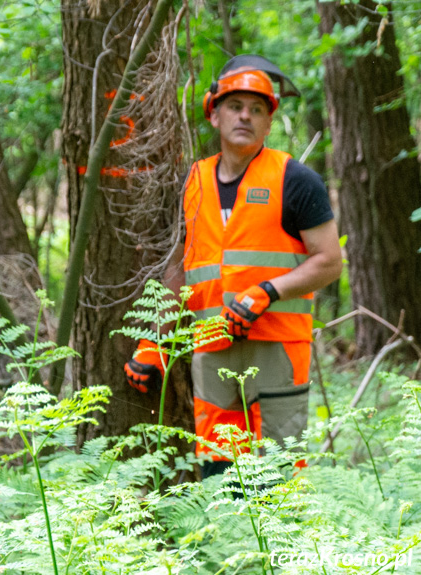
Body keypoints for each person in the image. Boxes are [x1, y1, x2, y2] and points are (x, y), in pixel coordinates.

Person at [124, 55, 343, 478]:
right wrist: (154, 344)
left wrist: (266, 292)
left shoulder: (295, 180)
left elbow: (329, 262)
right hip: (211, 353)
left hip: (277, 349)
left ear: (268, 120)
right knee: (218, 471)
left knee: (279, 472)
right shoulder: (193, 183)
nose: (245, 115)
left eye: (257, 109)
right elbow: (179, 272)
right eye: (235, 106)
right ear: (214, 114)